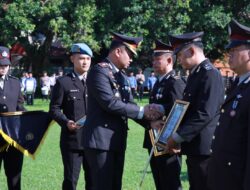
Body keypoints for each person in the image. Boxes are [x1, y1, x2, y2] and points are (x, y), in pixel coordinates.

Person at [83, 32, 163, 190]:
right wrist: (143, 111)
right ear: (118, 51)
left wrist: (151, 122)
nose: (132, 59)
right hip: (100, 142)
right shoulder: (99, 71)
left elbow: (129, 104)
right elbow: (110, 103)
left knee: (115, 185)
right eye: (130, 54)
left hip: (116, 141)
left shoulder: (122, 77)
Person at [166, 31, 224, 190]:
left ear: (191, 51)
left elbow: (204, 113)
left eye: (179, 55)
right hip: (194, 147)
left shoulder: (210, 74)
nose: (178, 61)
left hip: (205, 151)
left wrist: (177, 137)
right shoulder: (196, 74)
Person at [207, 19, 250, 190]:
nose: (229, 55)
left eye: (234, 50)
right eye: (229, 50)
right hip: (223, 176)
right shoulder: (239, 85)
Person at [143, 40, 186, 190]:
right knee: (160, 184)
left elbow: (179, 113)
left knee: (171, 185)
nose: (153, 63)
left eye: (157, 59)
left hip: (168, 143)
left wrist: (176, 141)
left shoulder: (176, 83)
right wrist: (150, 123)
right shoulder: (158, 83)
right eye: (153, 59)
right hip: (154, 140)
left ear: (169, 60)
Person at [49, 43, 93, 190]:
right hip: (73, 140)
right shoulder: (63, 82)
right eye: (81, 58)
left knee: (93, 181)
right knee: (70, 181)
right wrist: (66, 122)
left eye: (88, 58)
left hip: (94, 140)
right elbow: (54, 109)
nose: (85, 62)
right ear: (73, 59)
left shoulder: (96, 81)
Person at [0, 46, 26, 190]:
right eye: (0, 65)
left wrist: (33, 117)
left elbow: (20, 106)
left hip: (12, 139)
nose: (3, 68)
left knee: (14, 177)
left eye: (6, 65)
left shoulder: (15, 82)